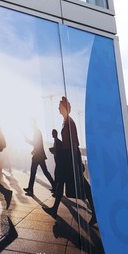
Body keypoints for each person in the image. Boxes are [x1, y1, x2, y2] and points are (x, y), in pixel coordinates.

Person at [44, 96, 96, 224]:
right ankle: (54, 209)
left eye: (59, 106)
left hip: (70, 156)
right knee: (63, 181)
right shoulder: (66, 121)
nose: (58, 108)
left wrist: (73, 161)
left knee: (82, 184)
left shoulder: (69, 123)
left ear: (64, 108)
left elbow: (73, 144)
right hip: (69, 156)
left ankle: (96, 213)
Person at [23, 117, 54, 196]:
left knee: (33, 172)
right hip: (39, 155)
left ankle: (30, 189)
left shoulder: (36, 132)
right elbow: (38, 144)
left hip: (38, 156)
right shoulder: (37, 131)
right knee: (44, 172)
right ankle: (54, 186)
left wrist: (28, 141)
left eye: (31, 123)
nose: (30, 125)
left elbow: (36, 143)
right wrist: (34, 150)